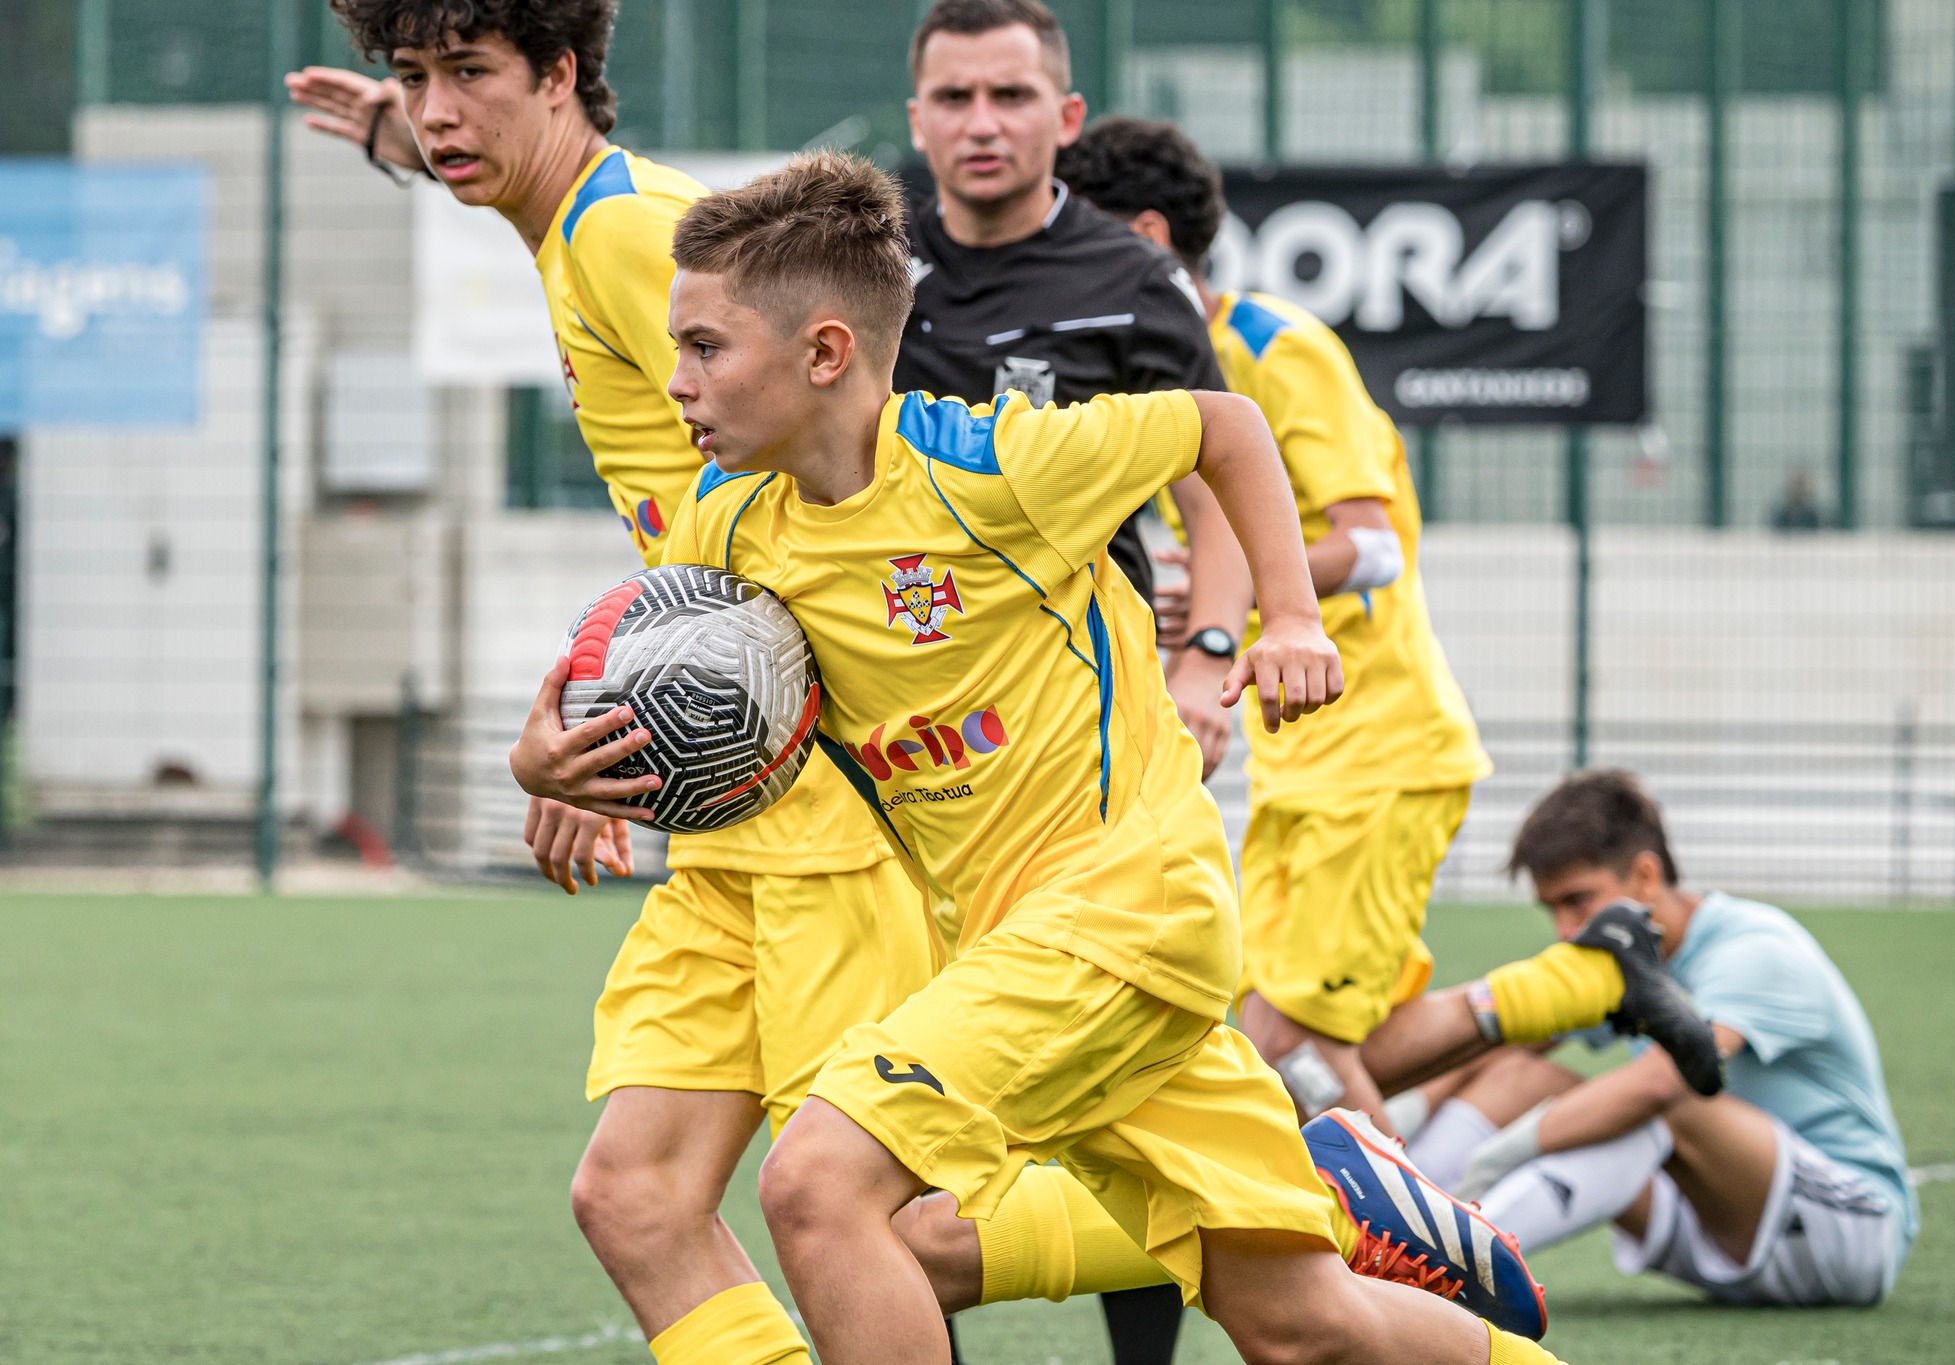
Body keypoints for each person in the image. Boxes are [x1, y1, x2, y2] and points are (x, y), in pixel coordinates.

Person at [535, 144, 1565, 1365]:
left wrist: (1286, 618)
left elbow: (1223, 427)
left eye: (705, 348)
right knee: (1301, 1326)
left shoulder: (992, 469)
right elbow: (667, 683)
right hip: (1022, 943)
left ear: (824, 353)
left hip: (1125, 914)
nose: (675, 383)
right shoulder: (728, 521)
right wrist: (564, 767)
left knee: (818, 1181)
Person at [290, 8, 935, 1365]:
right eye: (416, 77)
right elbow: (707, 545)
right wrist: (626, 726)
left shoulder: (630, 235)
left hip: (826, 804)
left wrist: (619, 711)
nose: (442, 109)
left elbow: (849, 452)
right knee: (636, 1199)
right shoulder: (572, 224)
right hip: (733, 797)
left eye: (470, 75)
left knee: (881, 1219)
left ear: (562, 76)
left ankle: (1276, 1210)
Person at [891, 6, 1254, 1350]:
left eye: (1008, 95)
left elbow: (1218, 478)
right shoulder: (865, 264)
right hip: (900, 746)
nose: (980, 123)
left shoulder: (1133, 281)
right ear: (916, 115)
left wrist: (1208, 657)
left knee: (1119, 1096)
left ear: (1066, 117)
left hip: (1083, 747)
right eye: (953, 97)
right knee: (888, 1109)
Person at [1057, 117, 1492, 1131]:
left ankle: (1426, 1235)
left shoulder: (1275, 348)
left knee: (1290, 1047)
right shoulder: (1147, 365)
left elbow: (1373, 547)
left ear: (1146, 237)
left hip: (1378, 753)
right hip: (1296, 756)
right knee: (1278, 1043)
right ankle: (1558, 998)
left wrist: (1239, 596)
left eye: (1074, 228)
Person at [1399, 770, 1917, 1309]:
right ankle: (1392, 1239)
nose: (1565, 931)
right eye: (1552, 909)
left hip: (1850, 1235)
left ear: (1646, 876)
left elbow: (1660, 1086)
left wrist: (1490, 1163)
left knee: (1663, 1097)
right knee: (1518, 1077)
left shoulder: (1755, 950)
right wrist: (1397, 1122)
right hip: (1713, 1227)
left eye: (1578, 901)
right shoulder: (1619, 960)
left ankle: (1444, 1270)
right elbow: (1496, 1045)